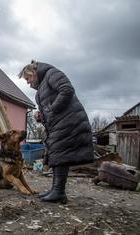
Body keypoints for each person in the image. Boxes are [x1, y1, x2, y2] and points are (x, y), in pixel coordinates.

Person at [19, 60, 94, 204]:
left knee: (59, 152)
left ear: (33, 72)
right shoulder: (41, 90)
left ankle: (58, 192)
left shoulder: (51, 74)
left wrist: (51, 110)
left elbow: (66, 90)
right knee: (58, 154)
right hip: (60, 123)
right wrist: (41, 116)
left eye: (28, 79)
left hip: (70, 120)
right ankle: (56, 190)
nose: (28, 83)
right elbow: (49, 111)